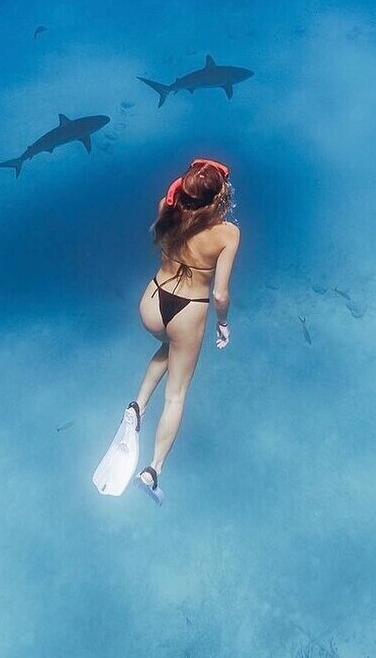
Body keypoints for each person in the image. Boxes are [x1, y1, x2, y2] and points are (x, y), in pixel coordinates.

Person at [106, 158, 241, 505]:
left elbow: (173, 196)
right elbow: (220, 295)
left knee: (169, 348)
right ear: (219, 197)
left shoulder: (166, 209)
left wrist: (179, 189)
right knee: (176, 395)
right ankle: (152, 472)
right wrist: (223, 324)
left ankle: (137, 406)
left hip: (152, 301)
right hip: (187, 312)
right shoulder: (227, 233)